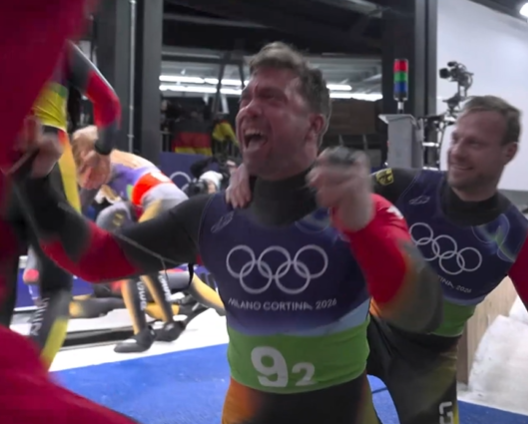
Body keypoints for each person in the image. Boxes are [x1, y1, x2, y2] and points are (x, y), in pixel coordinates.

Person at [12, 42, 442, 424]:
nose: (248, 109)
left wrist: (364, 228)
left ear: (313, 126)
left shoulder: (361, 210)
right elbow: (96, 260)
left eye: (270, 97)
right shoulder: (211, 215)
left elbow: (424, 315)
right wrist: (34, 182)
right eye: (245, 98)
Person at [225, 94, 528, 424]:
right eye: (456, 138)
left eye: (475, 143)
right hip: (367, 330)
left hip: (428, 357)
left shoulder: (517, 235)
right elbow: (315, 193)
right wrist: (258, 175)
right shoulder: (405, 184)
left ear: (508, 152)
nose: (457, 151)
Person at [0, 41, 120, 369]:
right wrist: (103, 150)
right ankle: (26, 386)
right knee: (57, 285)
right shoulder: (55, 44)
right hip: (47, 153)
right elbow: (108, 102)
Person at [73, 126, 224, 352]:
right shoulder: (125, 159)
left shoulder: (99, 161)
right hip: (174, 201)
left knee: (127, 265)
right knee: (147, 265)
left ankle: (142, 334)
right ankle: (171, 323)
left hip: (159, 202)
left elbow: (81, 203)